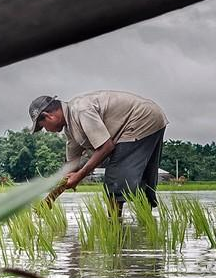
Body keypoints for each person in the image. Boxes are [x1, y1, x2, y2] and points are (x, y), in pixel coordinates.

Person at [28, 90, 168, 213]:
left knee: (115, 179)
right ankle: (144, 225)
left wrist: (80, 175)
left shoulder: (80, 110)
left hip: (141, 118)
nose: (47, 130)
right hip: (151, 117)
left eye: (43, 127)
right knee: (140, 180)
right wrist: (50, 199)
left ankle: (114, 227)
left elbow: (106, 147)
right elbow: (70, 168)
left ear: (48, 116)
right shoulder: (71, 130)